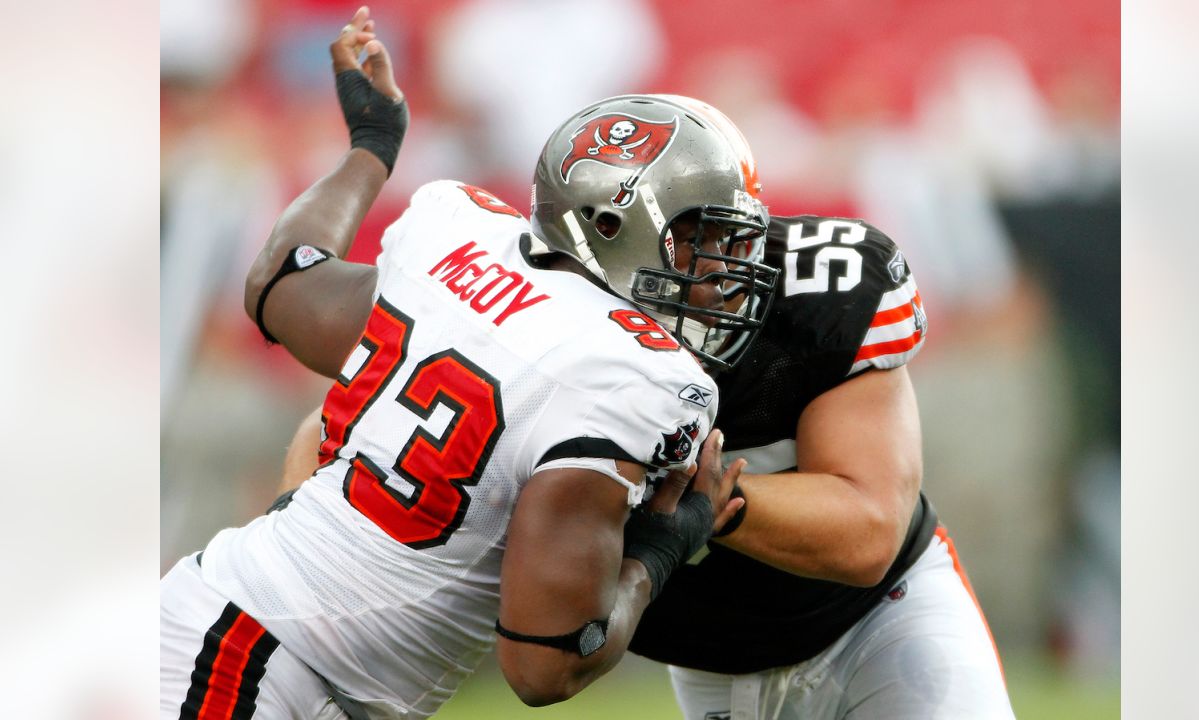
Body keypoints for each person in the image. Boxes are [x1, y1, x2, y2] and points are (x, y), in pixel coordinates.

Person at [159, 7, 778, 718]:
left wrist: (371, 144)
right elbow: (543, 665)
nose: (726, 270)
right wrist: (663, 549)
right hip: (256, 659)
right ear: (610, 225)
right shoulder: (635, 377)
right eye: (702, 239)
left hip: (250, 640)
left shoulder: (457, 237)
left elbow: (284, 279)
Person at [626, 209, 1017, 718]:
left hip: (876, 617)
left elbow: (869, 530)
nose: (700, 264)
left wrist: (712, 502)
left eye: (716, 231)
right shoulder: (543, 346)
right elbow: (539, 670)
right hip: (712, 656)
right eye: (671, 236)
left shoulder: (815, 296)